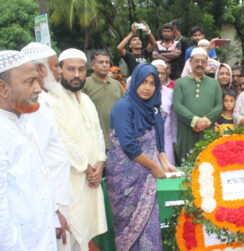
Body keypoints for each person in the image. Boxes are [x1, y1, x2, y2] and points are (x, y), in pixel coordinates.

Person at [106, 63, 178, 250]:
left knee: (149, 225)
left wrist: (165, 163)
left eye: (152, 83)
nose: (147, 88)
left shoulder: (153, 108)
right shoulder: (123, 106)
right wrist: (154, 167)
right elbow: (128, 145)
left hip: (145, 179)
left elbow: (159, 141)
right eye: (143, 82)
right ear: (135, 81)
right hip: (124, 180)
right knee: (127, 227)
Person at [0, 50, 57, 250]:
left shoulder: (22, 120)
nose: (38, 88)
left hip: (40, 236)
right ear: (3, 88)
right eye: (29, 82)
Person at [53, 48, 107, 251]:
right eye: (70, 69)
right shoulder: (53, 101)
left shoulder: (87, 100)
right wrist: (87, 168)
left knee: (84, 233)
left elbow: (99, 134)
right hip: (70, 182)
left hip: (90, 181)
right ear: (59, 70)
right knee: (68, 237)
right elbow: (63, 141)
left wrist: (100, 164)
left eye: (81, 70)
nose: (76, 74)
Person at [21, 42, 72, 250]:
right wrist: (53, 211)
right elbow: (36, 163)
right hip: (51, 204)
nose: (59, 71)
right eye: (55, 66)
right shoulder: (36, 106)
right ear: (41, 69)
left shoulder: (46, 100)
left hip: (56, 198)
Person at [173, 48, 222, 164]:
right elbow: (178, 106)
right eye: (197, 61)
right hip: (186, 129)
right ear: (190, 62)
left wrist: (204, 121)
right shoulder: (180, 82)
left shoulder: (214, 83)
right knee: (186, 162)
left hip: (207, 129)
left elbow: (219, 106)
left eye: (203, 61)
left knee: (207, 163)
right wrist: (194, 121)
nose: (200, 64)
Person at [83, 50, 124, 150]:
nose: (105, 65)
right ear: (92, 65)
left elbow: (124, 110)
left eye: (107, 62)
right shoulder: (85, 84)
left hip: (117, 141)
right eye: (101, 62)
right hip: (95, 141)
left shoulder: (117, 85)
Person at [152, 59, 177, 165]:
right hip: (150, 141)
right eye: (157, 73)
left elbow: (174, 120)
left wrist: (175, 140)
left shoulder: (171, 93)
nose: (160, 76)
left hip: (167, 140)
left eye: (163, 73)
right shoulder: (144, 94)